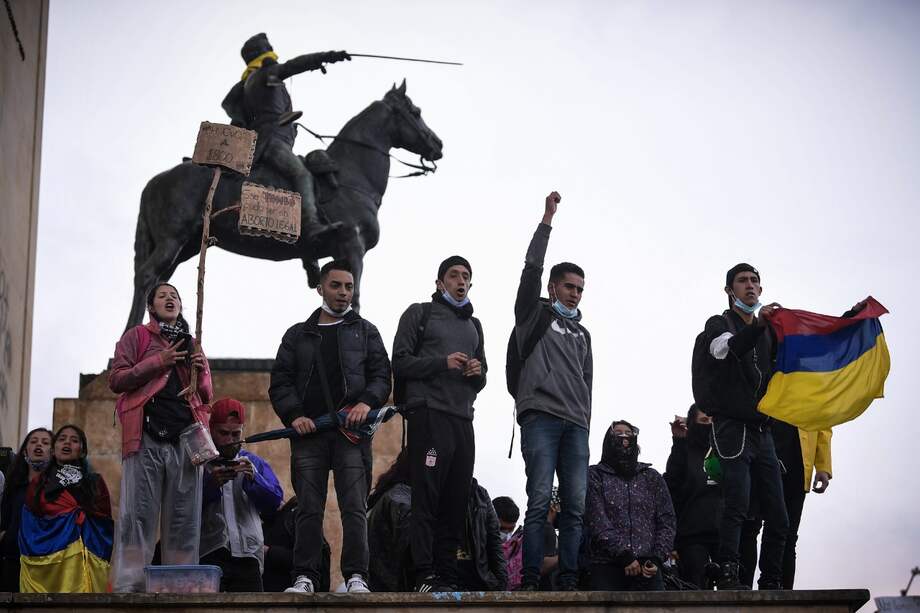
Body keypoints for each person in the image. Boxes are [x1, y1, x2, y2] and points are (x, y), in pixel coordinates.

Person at [269, 259, 391, 594]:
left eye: (349, 286)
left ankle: (356, 577)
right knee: (308, 508)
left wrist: (366, 403)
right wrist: (295, 416)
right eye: (336, 285)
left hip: (351, 436)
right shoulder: (297, 335)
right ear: (320, 287)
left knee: (355, 507)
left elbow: (382, 375)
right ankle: (305, 576)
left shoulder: (366, 331)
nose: (343, 293)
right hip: (309, 435)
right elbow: (280, 382)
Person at [108, 282, 213, 592]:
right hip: (145, 434)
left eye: (176, 296)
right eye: (163, 296)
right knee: (137, 514)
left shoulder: (193, 342)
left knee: (184, 519)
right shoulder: (137, 336)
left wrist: (202, 370)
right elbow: (116, 378)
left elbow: (206, 396)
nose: (171, 299)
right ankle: (130, 584)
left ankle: (178, 586)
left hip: (185, 438)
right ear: (151, 306)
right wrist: (160, 361)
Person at [513, 191, 592, 591]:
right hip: (540, 418)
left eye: (580, 288)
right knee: (539, 502)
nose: (575, 293)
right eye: (568, 286)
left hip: (576, 426)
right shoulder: (532, 315)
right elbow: (530, 267)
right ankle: (528, 581)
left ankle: (571, 582)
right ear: (552, 288)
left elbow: (587, 383)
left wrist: (585, 420)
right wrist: (546, 220)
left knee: (575, 509)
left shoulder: (584, 334)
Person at [392, 255, 486, 591]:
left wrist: (478, 374)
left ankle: (447, 573)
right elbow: (400, 363)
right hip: (429, 415)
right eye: (454, 275)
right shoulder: (420, 313)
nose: (461, 281)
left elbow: (482, 376)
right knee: (427, 498)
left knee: (456, 499)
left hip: (463, 419)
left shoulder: (474, 326)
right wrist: (441, 362)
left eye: (466, 276)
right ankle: (424, 574)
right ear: (439, 282)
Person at [698, 264, 788, 589]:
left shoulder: (768, 332)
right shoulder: (719, 324)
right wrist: (758, 326)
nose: (750, 286)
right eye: (742, 281)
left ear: (761, 290)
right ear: (729, 290)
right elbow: (724, 349)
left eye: (755, 281)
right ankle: (727, 574)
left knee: (778, 514)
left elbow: (797, 357)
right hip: (733, 429)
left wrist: (848, 319)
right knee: (737, 504)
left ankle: (772, 582)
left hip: (763, 432)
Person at [222, 33, 350, 240]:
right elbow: (293, 65)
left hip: (265, 140)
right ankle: (311, 225)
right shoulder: (265, 74)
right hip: (271, 141)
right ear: (266, 56)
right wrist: (326, 56)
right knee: (302, 175)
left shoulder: (246, 86)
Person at [366, 450, 507, 592]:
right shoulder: (400, 496)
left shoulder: (477, 493)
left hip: (476, 584)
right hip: (428, 585)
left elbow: (494, 543)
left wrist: (501, 585)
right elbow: (414, 539)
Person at [200, 398, 284, 592]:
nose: (230, 440)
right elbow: (183, 507)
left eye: (236, 433)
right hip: (210, 553)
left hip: (249, 554)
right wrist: (211, 485)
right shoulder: (199, 465)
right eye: (224, 433)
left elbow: (275, 503)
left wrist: (254, 480)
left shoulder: (254, 463)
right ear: (211, 430)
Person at [19, 425, 113, 593]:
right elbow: (30, 522)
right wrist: (64, 522)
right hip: (50, 563)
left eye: (74, 440)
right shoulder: (39, 483)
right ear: (53, 450)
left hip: (85, 561)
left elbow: (103, 522)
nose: (67, 443)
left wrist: (82, 522)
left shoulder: (95, 482)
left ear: (82, 451)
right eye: (61, 439)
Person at [584, 420, 675, 591]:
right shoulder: (595, 475)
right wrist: (624, 555)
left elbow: (667, 521)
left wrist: (657, 557)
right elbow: (597, 520)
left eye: (628, 433)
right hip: (607, 566)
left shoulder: (651, 477)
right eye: (618, 433)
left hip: (648, 568)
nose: (624, 437)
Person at [739, 424, 833, 589]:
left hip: (797, 464)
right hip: (759, 456)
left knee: (788, 535)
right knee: (749, 526)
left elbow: (823, 422)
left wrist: (823, 467)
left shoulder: (813, 396)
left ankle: (780, 591)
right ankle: (742, 588)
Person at [664, 405, 722, 589]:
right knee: (697, 590)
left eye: (713, 421)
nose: (709, 425)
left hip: (725, 537)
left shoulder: (728, 452)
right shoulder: (684, 452)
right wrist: (679, 441)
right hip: (692, 537)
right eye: (704, 421)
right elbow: (671, 488)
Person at [0, 428, 52, 591]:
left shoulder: (56, 489)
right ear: (25, 451)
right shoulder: (14, 486)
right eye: (34, 441)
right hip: (13, 562)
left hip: (45, 564)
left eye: (45, 442)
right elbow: (5, 520)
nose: (39, 445)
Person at [261, 498, 333, 592]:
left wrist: (269, 552)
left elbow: (314, 559)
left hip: (296, 593)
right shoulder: (263, 521)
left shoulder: (295, 515)